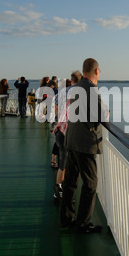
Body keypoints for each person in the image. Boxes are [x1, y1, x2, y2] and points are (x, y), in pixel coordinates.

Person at [60, 58, 109, 233]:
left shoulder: (77, 87)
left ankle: (66, 218)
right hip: (84, 143)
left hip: (71, 139)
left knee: (71, 181)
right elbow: (102, 116)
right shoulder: (91, 89)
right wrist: (107, 111)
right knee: (90, 183)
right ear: (96, 71)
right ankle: (82, 224)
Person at [52, 70, 82, 200]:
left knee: (62, 163)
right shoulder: (81, 92)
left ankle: (58, 190)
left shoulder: (63, 92)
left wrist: (60, 120)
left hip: (60, 129)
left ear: (71, 79)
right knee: (72, 164)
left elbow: (56, 107)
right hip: (72, 132)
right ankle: (66, 193)